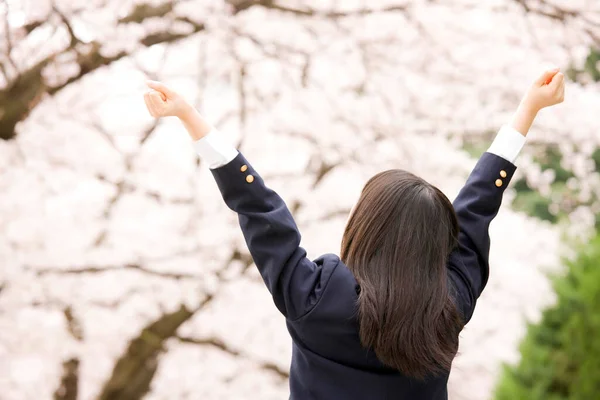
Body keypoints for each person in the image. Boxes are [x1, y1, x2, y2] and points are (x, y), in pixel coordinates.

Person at [143, 67, 565, 399]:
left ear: (364, 225)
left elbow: (258, 208)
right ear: (439, 242)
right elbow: (476, 210)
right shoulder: (448, 305)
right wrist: (528, 110)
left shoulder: (316, 298)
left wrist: (188, 115)